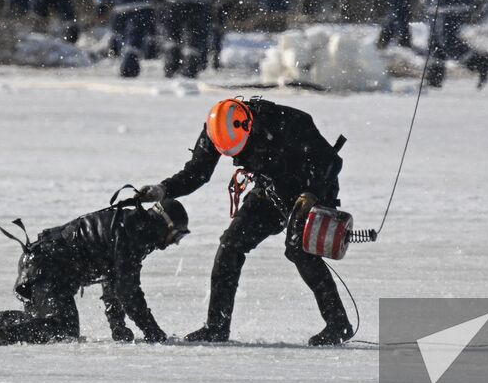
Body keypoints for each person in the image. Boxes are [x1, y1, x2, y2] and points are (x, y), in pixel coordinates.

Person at [135, 98, 351, 345]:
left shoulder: (288, 121)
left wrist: (311, 196)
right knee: (230, 245)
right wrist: (163, 189)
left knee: (300, 250)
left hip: (311, 184)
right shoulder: (216, 130)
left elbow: (331, 162)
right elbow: (198, 172)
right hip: (270, 188)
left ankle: (338, 324)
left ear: (249, 125)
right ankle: (216, 328)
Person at [0, 196, 189, 345]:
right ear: (165, 225)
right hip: (46, 269)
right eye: (176, 236)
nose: (173, 244)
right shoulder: (134, 233)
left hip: (44, 267)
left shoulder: (131, 226)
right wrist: (154, 333)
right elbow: (128, 289)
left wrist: (118, 327)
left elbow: (114, 281)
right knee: (60, 330)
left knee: (48, 325)